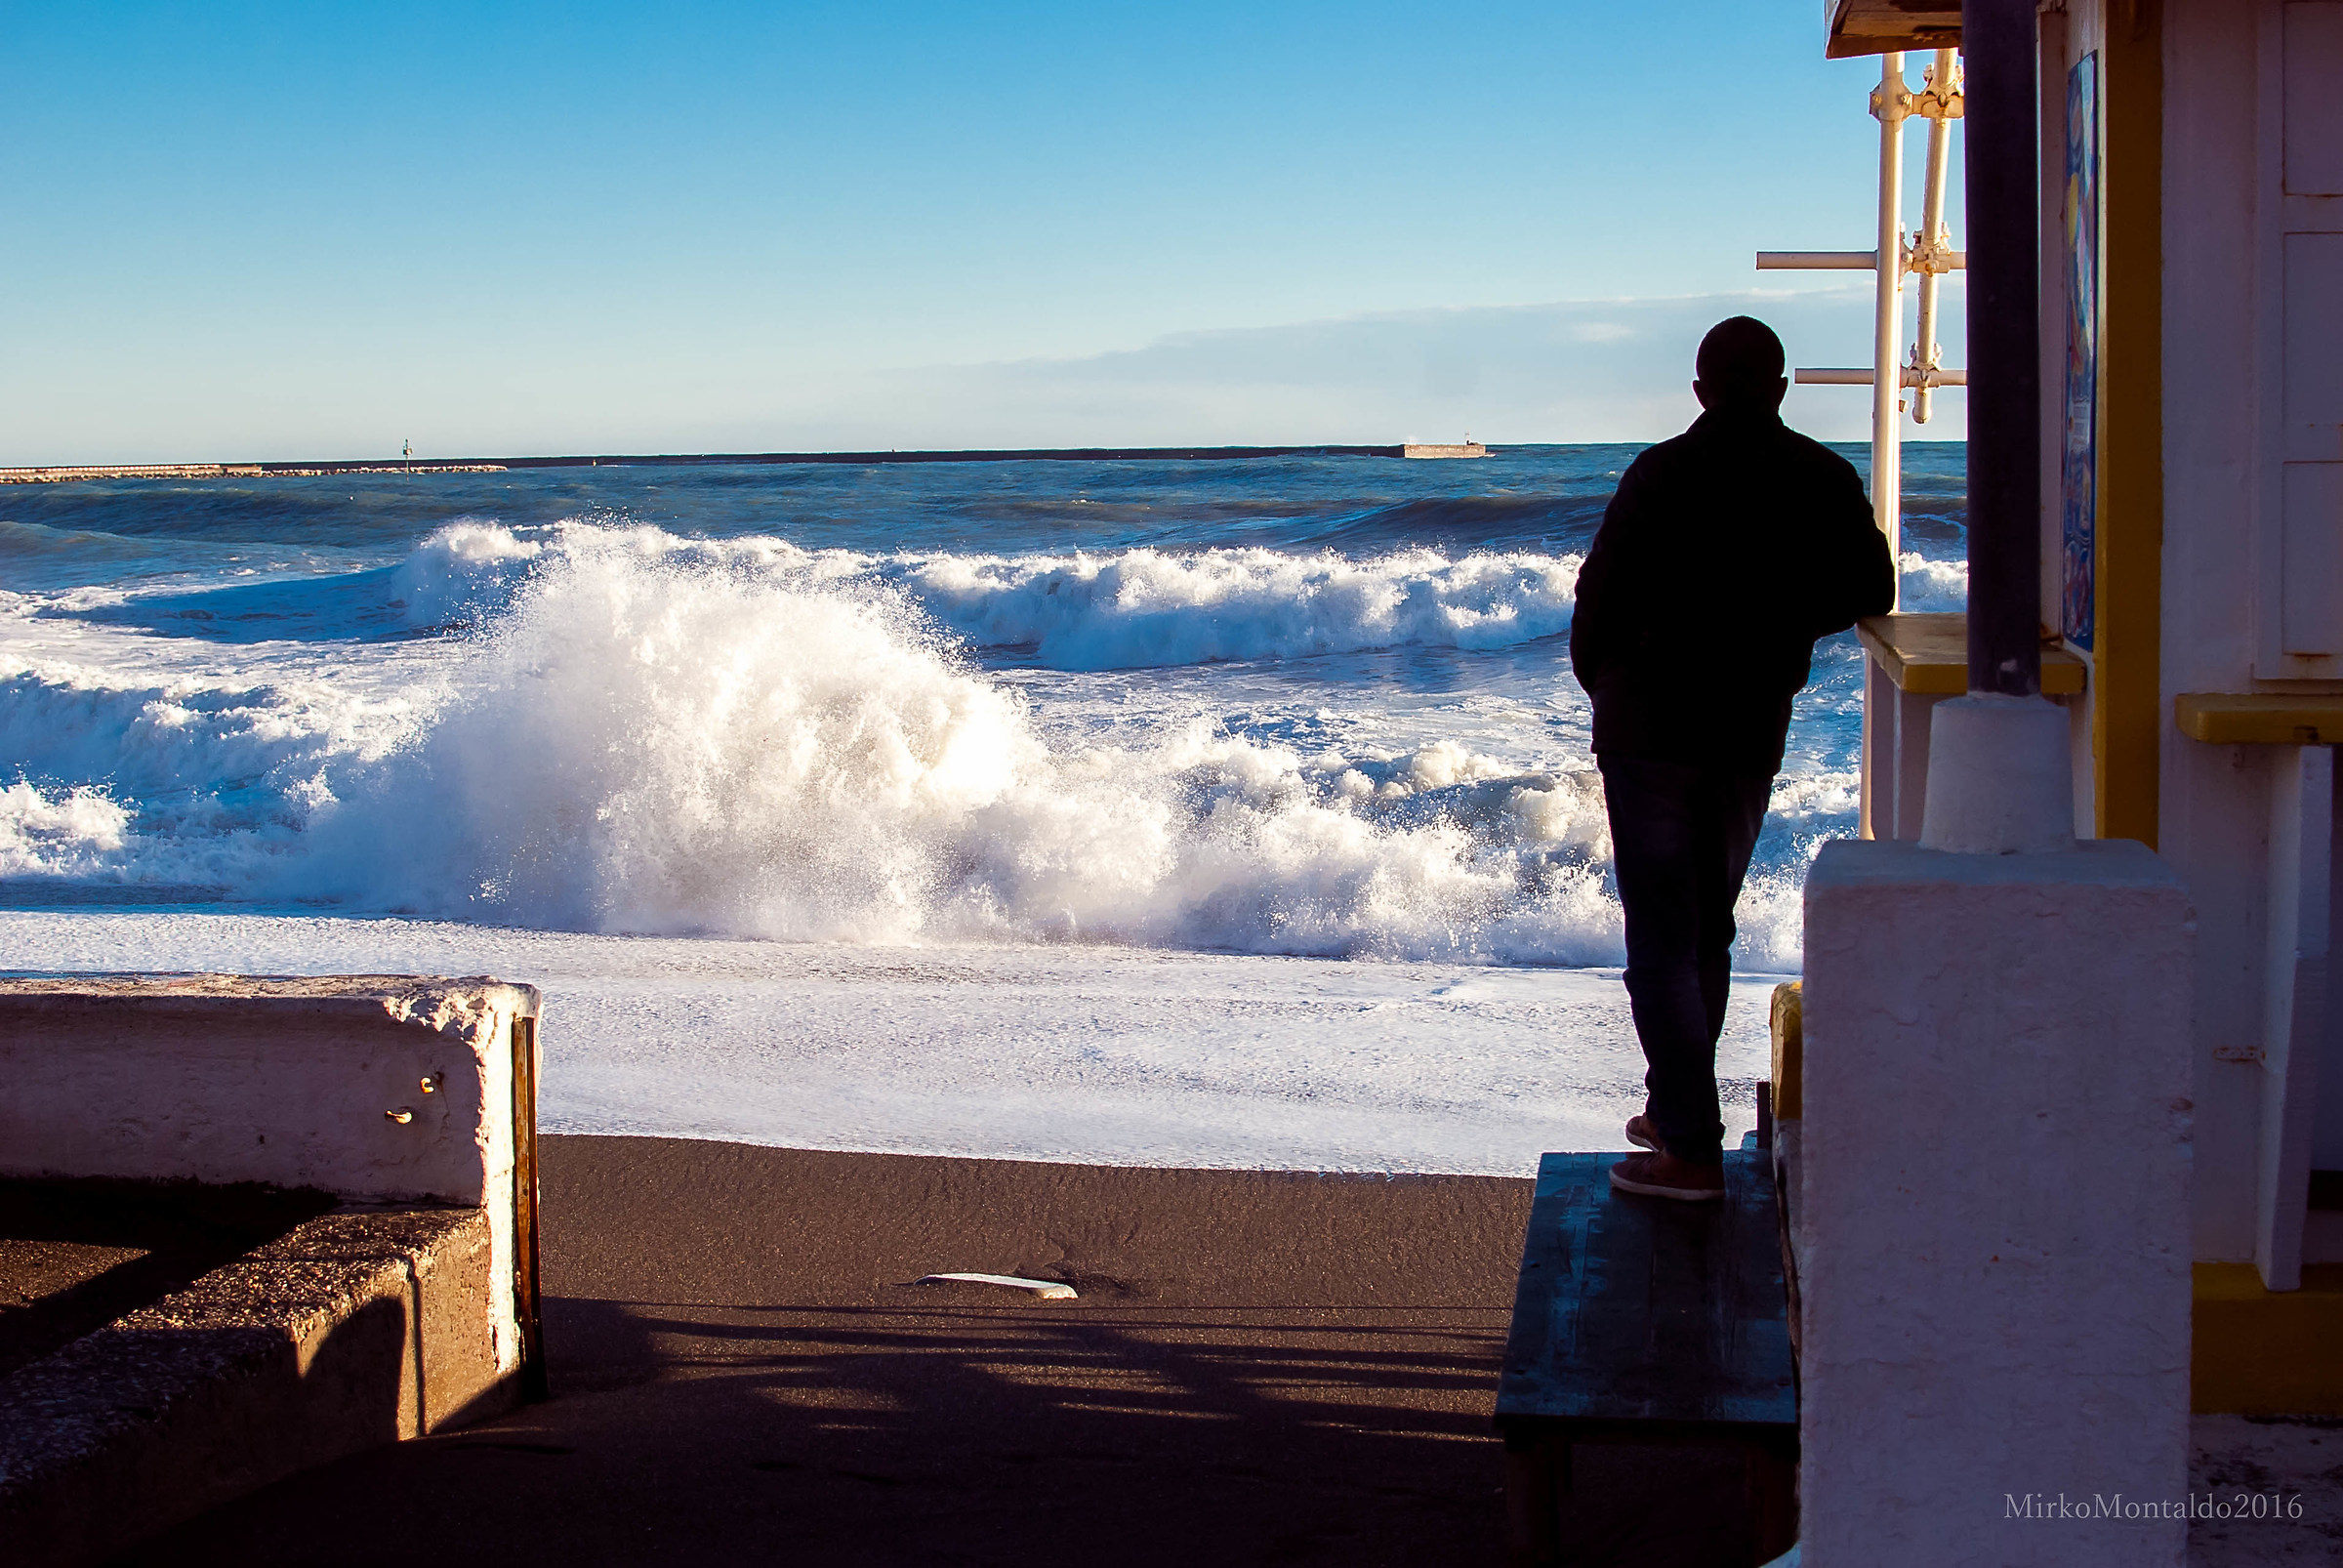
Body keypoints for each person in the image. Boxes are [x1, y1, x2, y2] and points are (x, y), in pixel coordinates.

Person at [1570, 315, 1894, 1201]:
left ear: (1702, 390)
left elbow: (1598, 591)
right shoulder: (1819, 476)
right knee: (1706, 926)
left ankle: (1687, 1145)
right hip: (1747, 724)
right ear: (1780, 389)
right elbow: (1872, 590)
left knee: (1664, 936)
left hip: (1650, 725)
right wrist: (1779, 622)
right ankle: (1674, 1109)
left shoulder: (1662, 471)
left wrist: (1604, 681)